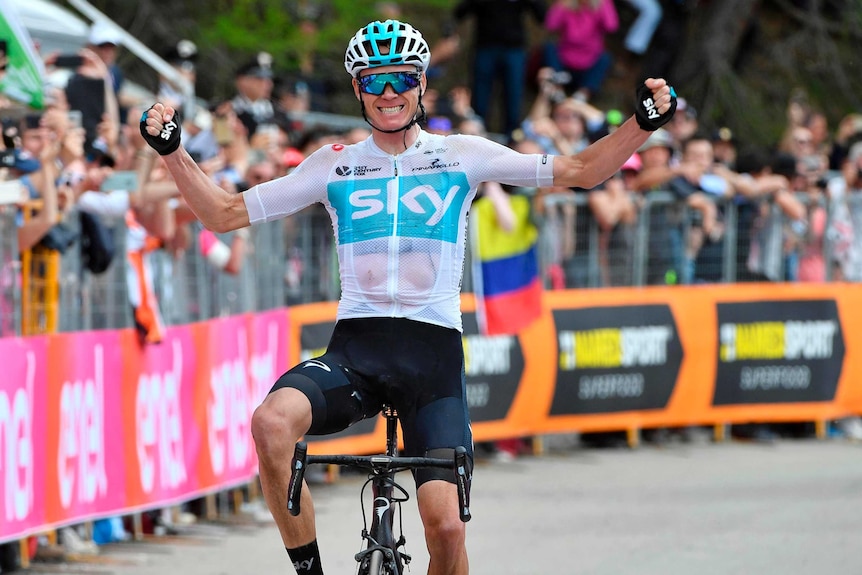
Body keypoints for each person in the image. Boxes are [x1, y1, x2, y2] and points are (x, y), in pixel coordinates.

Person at [140, 19, 676, 575]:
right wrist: (173, 153)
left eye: (400, 79)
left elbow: (583, 170)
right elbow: (223, 214)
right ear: (358, 91)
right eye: (374, 81)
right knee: (271, 423)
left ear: (421, 86)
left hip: (433, 361)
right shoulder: (334, 164)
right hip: (355, 353)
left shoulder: (463, 154)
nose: (388, 92)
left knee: (445, 529)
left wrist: (642, 125)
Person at [453, 0, 548, 137]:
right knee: (480, 95)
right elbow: (460, 12)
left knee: (514, 94)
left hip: (514, 48)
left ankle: (512, 137)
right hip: (485, 47)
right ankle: (476, 135)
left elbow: (542, 16)